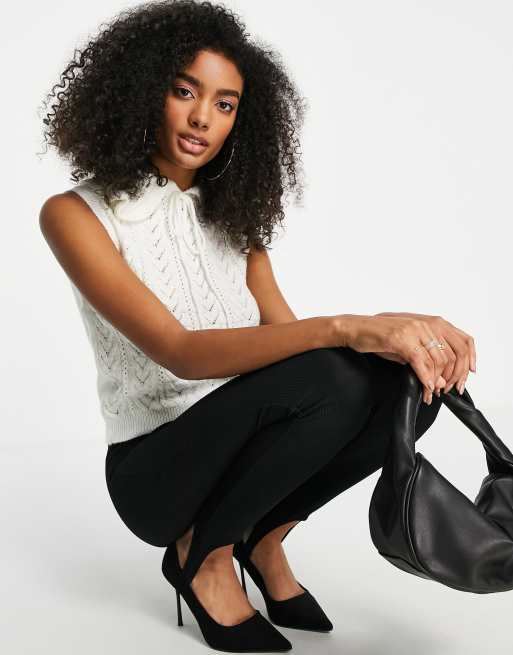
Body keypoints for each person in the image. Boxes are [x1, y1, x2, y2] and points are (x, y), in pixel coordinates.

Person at [38, 1, 476, 652]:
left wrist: (395, 329)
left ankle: (263, 535)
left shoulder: (234, 220)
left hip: (241, 443)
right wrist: (352, 327)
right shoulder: (76, 214)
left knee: (407, 383)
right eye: (184, 91)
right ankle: (203, 555)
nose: (201, 118)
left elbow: (299, 357)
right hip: (155, 471)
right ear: (141, 90)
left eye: (225, 104)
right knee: (335, 369)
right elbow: (180, 352)